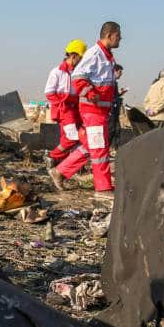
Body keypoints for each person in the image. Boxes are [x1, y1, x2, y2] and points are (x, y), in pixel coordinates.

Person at [70, 21, 121, 198]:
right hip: (93, 110)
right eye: (118, 35)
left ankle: (60, 172)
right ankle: (103, 188)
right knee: (100, 149)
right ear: (109, 35)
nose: (120, 39)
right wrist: (91, 94)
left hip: (100, 111)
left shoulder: (105, 55)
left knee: (89, 145)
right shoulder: (95, 53)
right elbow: (77, 77)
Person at [44, 38, 87, 188]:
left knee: (69, 138)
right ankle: (52, 156)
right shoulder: (57, 72)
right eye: (81, 58)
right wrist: (63, 102)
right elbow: (49, 93)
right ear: (73, 55)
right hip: (64, 109)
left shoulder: (77, 73)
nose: (81, 61)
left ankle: (59, 166)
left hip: (75, 108)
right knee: (72, 137)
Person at [108, 63, 126, 146]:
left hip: (115, 110)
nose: (121, 74)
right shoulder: (110, 82)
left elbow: (114, 95)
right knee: (111, 129)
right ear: (115, 71)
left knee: (117, 129)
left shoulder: (114, 82)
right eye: (120, 72)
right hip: (111, 110)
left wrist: (120, 94)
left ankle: (115, 148)